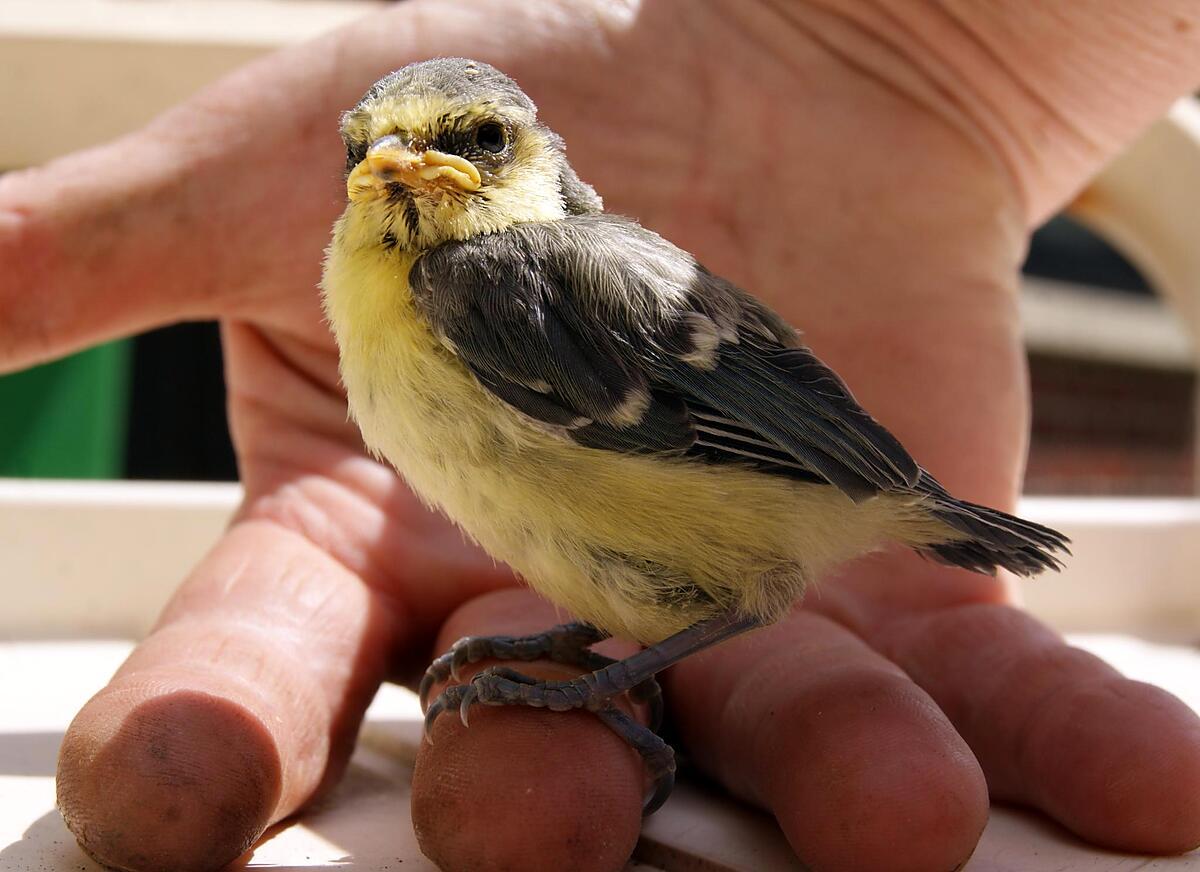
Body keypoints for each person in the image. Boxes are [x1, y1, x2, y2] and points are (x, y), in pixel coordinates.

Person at [4, 2, 1199, 870]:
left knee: (741, 603)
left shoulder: (487, 277)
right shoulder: (379, 277)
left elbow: (736, 418)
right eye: (370, 145)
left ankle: (616, 669)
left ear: (531, 158)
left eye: (471, 143)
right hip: (748, 485)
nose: (402, 162)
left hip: (766, 475)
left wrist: (604, 682)